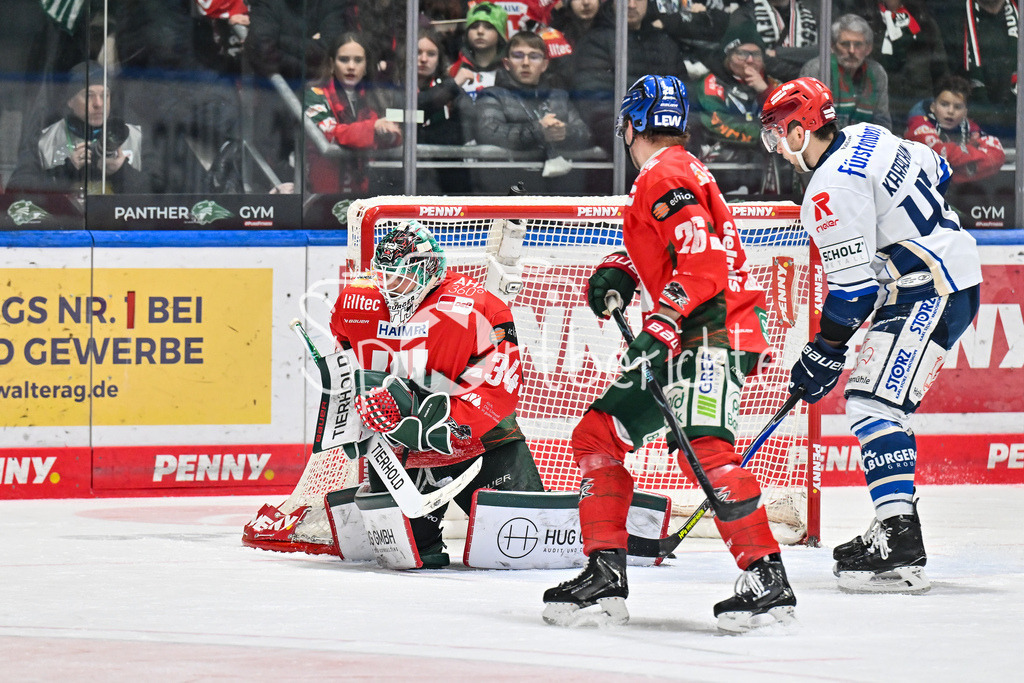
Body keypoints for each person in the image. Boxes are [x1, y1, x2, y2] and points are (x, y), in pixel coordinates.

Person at [542, 75, 796, 632]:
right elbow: (682, 247)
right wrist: (625, 269)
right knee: (596, 434)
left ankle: (768, 579)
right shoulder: (678, 170)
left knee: (706, 451)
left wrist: (660, 321)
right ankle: (605, 571)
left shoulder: (664, 174)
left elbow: (702, 264)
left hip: (711, 334)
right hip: (693, 330)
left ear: (631, 124)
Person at [759, 77, 982, 593]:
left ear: (800, 129)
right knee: (873, 400)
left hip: (931, 287)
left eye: (776, 133)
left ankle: (900, 545)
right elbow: (939, 169)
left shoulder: (828, 190)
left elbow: (853, 293)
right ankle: (893, 528)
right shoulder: (868, 135)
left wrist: (825, 350)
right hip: (936, 276)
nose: (775, 146)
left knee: (875, 404)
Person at [332, 221, 544, 568]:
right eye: (382, 276)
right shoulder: (360, 303)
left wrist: (444, 423)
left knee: (526, 545)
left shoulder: (482, 309)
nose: (388, 287)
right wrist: (360, 399)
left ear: (427, 269)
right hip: (401, 449)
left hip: (480, 440)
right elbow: (343, 343)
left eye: (398, 277)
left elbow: (498, 389)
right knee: (406, 556)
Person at [474, 30, 592, 192]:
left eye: (534, 56)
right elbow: (488, 132)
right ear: (507, 63)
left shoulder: (559, 96)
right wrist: (538, 131)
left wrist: (564, 132)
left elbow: (585, 133)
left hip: (557, 191)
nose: (526, 62)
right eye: (518, 55)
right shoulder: (491, 95)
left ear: (544, 65)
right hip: (508, 188)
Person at [7, 60, 146, 197]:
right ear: (70, 101)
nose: (98, 104)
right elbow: (16, 191)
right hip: (66, 219)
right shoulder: (45, 139)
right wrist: (65, 172)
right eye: (88, 96)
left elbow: (160, 194)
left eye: (105, 96)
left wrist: (121, 173)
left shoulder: (135, 137)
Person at [303, 32, 402, 196]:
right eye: (344, 60)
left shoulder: (373, 99)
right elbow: (332, 134)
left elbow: (392, 138)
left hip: (360, 194)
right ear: (332, 64)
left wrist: (389, 135)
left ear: (365, 67)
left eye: (358, 60)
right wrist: (374, 128)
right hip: (322, 197)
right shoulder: (313, 95)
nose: (351, 66)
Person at [697, 22, 783, 194]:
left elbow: (788, 121)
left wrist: (764, 91)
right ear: (728, 55)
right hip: (720, 174)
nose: (750, 60)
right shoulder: (710, 84)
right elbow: (717, 124)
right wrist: (762, 136)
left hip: (766, 176)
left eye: (756, 54)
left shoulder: (771, 84)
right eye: (742, 53)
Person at [837, 0, 949, 128]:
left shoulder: (924, 22)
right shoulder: (863, 21)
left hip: (918, 104)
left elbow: (940, 71)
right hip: (874, 104)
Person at [800, 14, 892, 131]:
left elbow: (882, 123)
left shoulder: (877, 73)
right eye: (845, 44)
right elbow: (806, 122)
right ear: (832, 46)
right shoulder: (817, 69)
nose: (852, 51)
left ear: (868, 48)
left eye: (858, 44)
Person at [415, 27, 473, 193]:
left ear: (439, 58)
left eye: (431, 54)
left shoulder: (451, 90)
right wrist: (453, 85)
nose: (423, 59)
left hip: (446, 175)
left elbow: (464, 128)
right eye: (418, 52)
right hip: (407, 173)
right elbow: (412, 110)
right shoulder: (396, 86)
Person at [727, 0, 820, 82]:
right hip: (763, 86)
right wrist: (803, 72)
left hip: (808, 86)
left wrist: (779, 53)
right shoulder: (744, 14)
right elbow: (756, 59)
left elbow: (823, 52)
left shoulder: (814, 11)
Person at [449, 2, 509, 101]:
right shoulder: (456, 70)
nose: (480, 31)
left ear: (500, 34)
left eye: (488, 27)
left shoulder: (510, 70)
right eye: (474, 26)